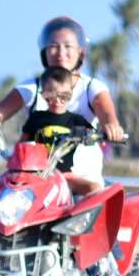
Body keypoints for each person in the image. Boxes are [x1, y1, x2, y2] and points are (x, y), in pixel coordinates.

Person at [0, 16, 126, 143]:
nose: (61, 53)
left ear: (80, 53)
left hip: (82, 175)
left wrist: (111, 126)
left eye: (68, 46)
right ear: (44, 52)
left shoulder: (92, 87)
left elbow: (104, 109)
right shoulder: (32, 87)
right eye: (54, 46)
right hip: (35, 172)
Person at [19, 66, 104, 194]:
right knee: (1, 188)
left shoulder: (77, 121)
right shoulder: (36, 118)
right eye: (51, 95)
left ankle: (81, 214)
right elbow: (21, 145)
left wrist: (106, 134)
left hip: (64, 177)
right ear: (43, 94)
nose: (58, 100)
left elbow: (95, 136)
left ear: (71, 93)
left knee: (94, 189)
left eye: (64, 95)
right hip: (35, 176)